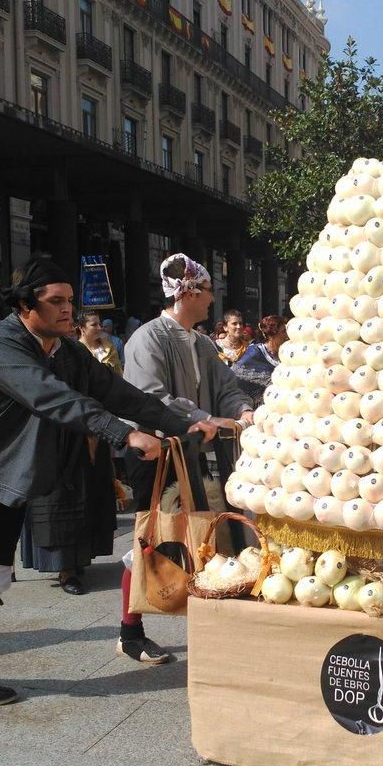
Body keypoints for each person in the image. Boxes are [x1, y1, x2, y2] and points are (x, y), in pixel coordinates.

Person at [0, 257, 215, 707]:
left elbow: (116, 391)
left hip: (7, 481)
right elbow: (51, 397)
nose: (68, 310)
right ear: (26, 306)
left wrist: (177, 423)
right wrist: (122, 433)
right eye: (56, 302)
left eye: (70, 301)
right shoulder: (1, 343)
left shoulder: (66, 350)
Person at [121, 253, 254, 664]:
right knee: (152, 540)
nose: (213, 300)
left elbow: (227, 387)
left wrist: (242, 409)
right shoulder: (147, 338)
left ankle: (214, 624)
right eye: (209, 291)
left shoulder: (201, 343)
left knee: (206, 537)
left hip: (199, 454)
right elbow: (150, 397)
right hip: (157, 454)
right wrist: (201, 417)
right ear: (190, 292)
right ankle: (130, 632)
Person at [20, 311, 122, 596]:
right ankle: (64, 567)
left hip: (89, 429)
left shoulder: (81, 352)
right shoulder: (28, 350)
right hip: (51, 437)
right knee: (58, 501)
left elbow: (111, 386)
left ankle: (79, 561)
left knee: (88, 495)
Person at [231, 314, 286, 407]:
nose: (287, 335)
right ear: (273, 335)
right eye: (283, 331)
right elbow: (234, 376)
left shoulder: (287, 353)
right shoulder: (255, 352)